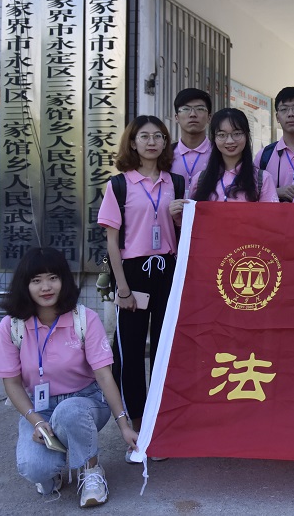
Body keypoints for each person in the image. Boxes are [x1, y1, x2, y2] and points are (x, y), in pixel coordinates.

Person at [0, 247, 140, 507]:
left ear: (64, 280)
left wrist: (123, 424)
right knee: (34, 468)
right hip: (40, 407)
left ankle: (91, 470)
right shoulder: (11, 326)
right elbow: (12, 383)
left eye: (53, 278)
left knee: (69, 412)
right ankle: (54, 468)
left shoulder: (84, 318)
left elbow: (104, 376)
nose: (46, 287)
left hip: (86, 401)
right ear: (25, 285)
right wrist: (36, 421)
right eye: (36, 280)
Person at [97, 115, 182, 462]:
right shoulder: (119, 185)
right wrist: (123, 289)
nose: (152, 142)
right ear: (132, 143)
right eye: (144, 136)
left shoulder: (176, 181)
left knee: (165, 351)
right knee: (130, 354)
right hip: (133, 272)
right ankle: (138, 429)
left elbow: (186, 229)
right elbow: (112, 242)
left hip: (168, 270)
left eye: (158, 136)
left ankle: (161, 426)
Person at [174, 107, 278, 204]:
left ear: (247, 135)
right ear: (214, 138)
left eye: (237, 134)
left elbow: (271, 216)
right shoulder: (200, 180)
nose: (230, 141)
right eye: (222, 135)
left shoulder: (262, 179)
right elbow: (193, 216)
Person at [255, 86, 294, 202]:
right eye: (284, 109)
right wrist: (276, 192)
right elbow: (249, 192)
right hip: (274, 214)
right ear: (277, 117)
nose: (290, 114)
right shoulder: (264, 155)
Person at [170, 88, 212, 182]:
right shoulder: (166, 155)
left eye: (200, 109)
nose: (193, 114)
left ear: (209, 117)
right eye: (186, 109)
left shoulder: (219, 154)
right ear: (176, 117)